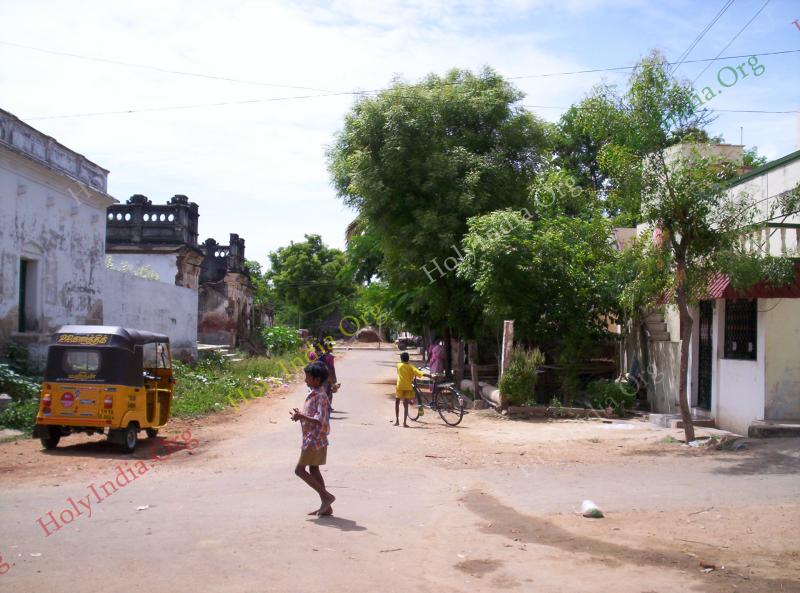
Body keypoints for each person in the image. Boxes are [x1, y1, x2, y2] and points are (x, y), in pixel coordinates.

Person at [290, 362, 335, 516]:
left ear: (316, 379)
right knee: (313, 469)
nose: (305, 380)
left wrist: (302, 416)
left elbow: (320, 420)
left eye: (307, 377)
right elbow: (314, 415)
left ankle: (327, 497)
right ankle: (326, 505)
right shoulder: (315, 393)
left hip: (314, 440)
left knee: (299, 470)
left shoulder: (320, 396)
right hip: (314, 439)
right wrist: (302, 414)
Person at [395, 351, 424, 427]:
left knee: (397, 403)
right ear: (408, 359)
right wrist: (430, 376)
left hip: (400, 386)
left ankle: (397, 421)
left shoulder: (398, 365)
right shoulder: (411, 367)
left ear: (401, 359)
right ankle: (404, 422)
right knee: (406, 404)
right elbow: (419, 373)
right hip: (408, 387)